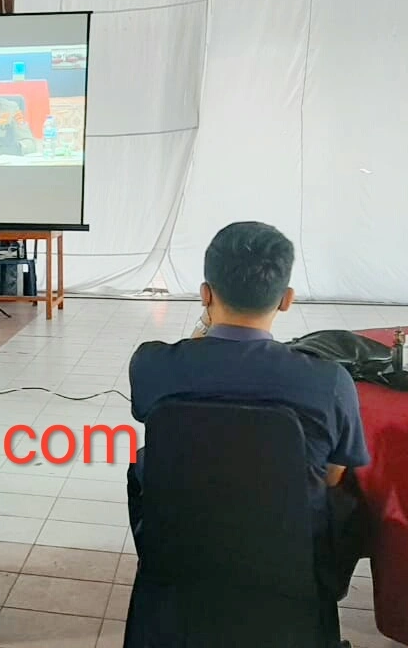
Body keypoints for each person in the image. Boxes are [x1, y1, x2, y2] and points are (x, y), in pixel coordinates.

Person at [126, 221, 369, 599]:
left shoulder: (152, 365)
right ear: (286, 299)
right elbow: (333, 478)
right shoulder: (330, 382)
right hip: (289, 566)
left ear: (205, 294)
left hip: (182, 553)